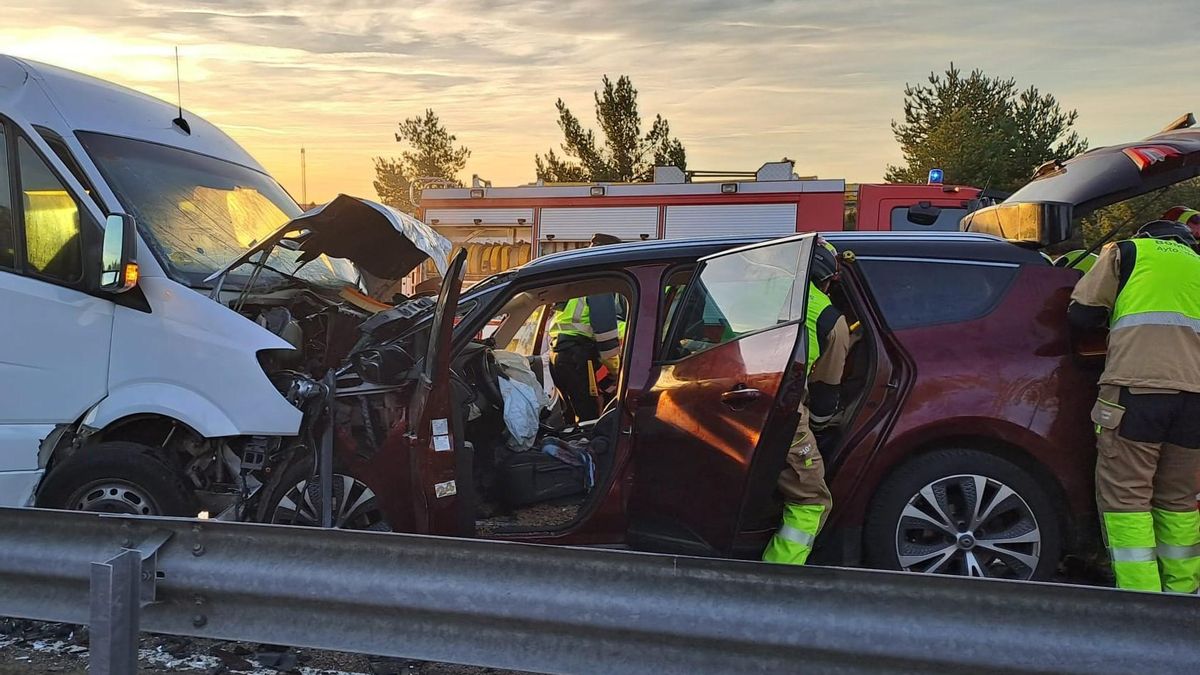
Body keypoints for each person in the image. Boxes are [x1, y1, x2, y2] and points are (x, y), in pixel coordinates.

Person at [1068, 219, 1200, 593]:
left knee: (1127, 497)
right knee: (1178, 501)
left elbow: (1083, 314)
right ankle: (1183, 596)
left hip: (1136, 391)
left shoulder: (1126, 252)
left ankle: (1142, 602)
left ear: (1147, 236)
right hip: (1194, 399)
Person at [763, 238, 850, 565]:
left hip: (736, 403)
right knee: (811, 500)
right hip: (782, 412)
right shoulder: (829, 318)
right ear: (827, 279)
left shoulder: (760, 295)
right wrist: (819, 428)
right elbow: (827, 388)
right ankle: (777, 576)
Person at [548, 233, 624, 423]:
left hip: (558, 354)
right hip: (577, 355)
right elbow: (605, 331)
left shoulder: (579, 277)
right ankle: (588, 450)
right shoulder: (600, 282)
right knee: (589, 417)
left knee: (571, 413)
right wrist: (617, 370)